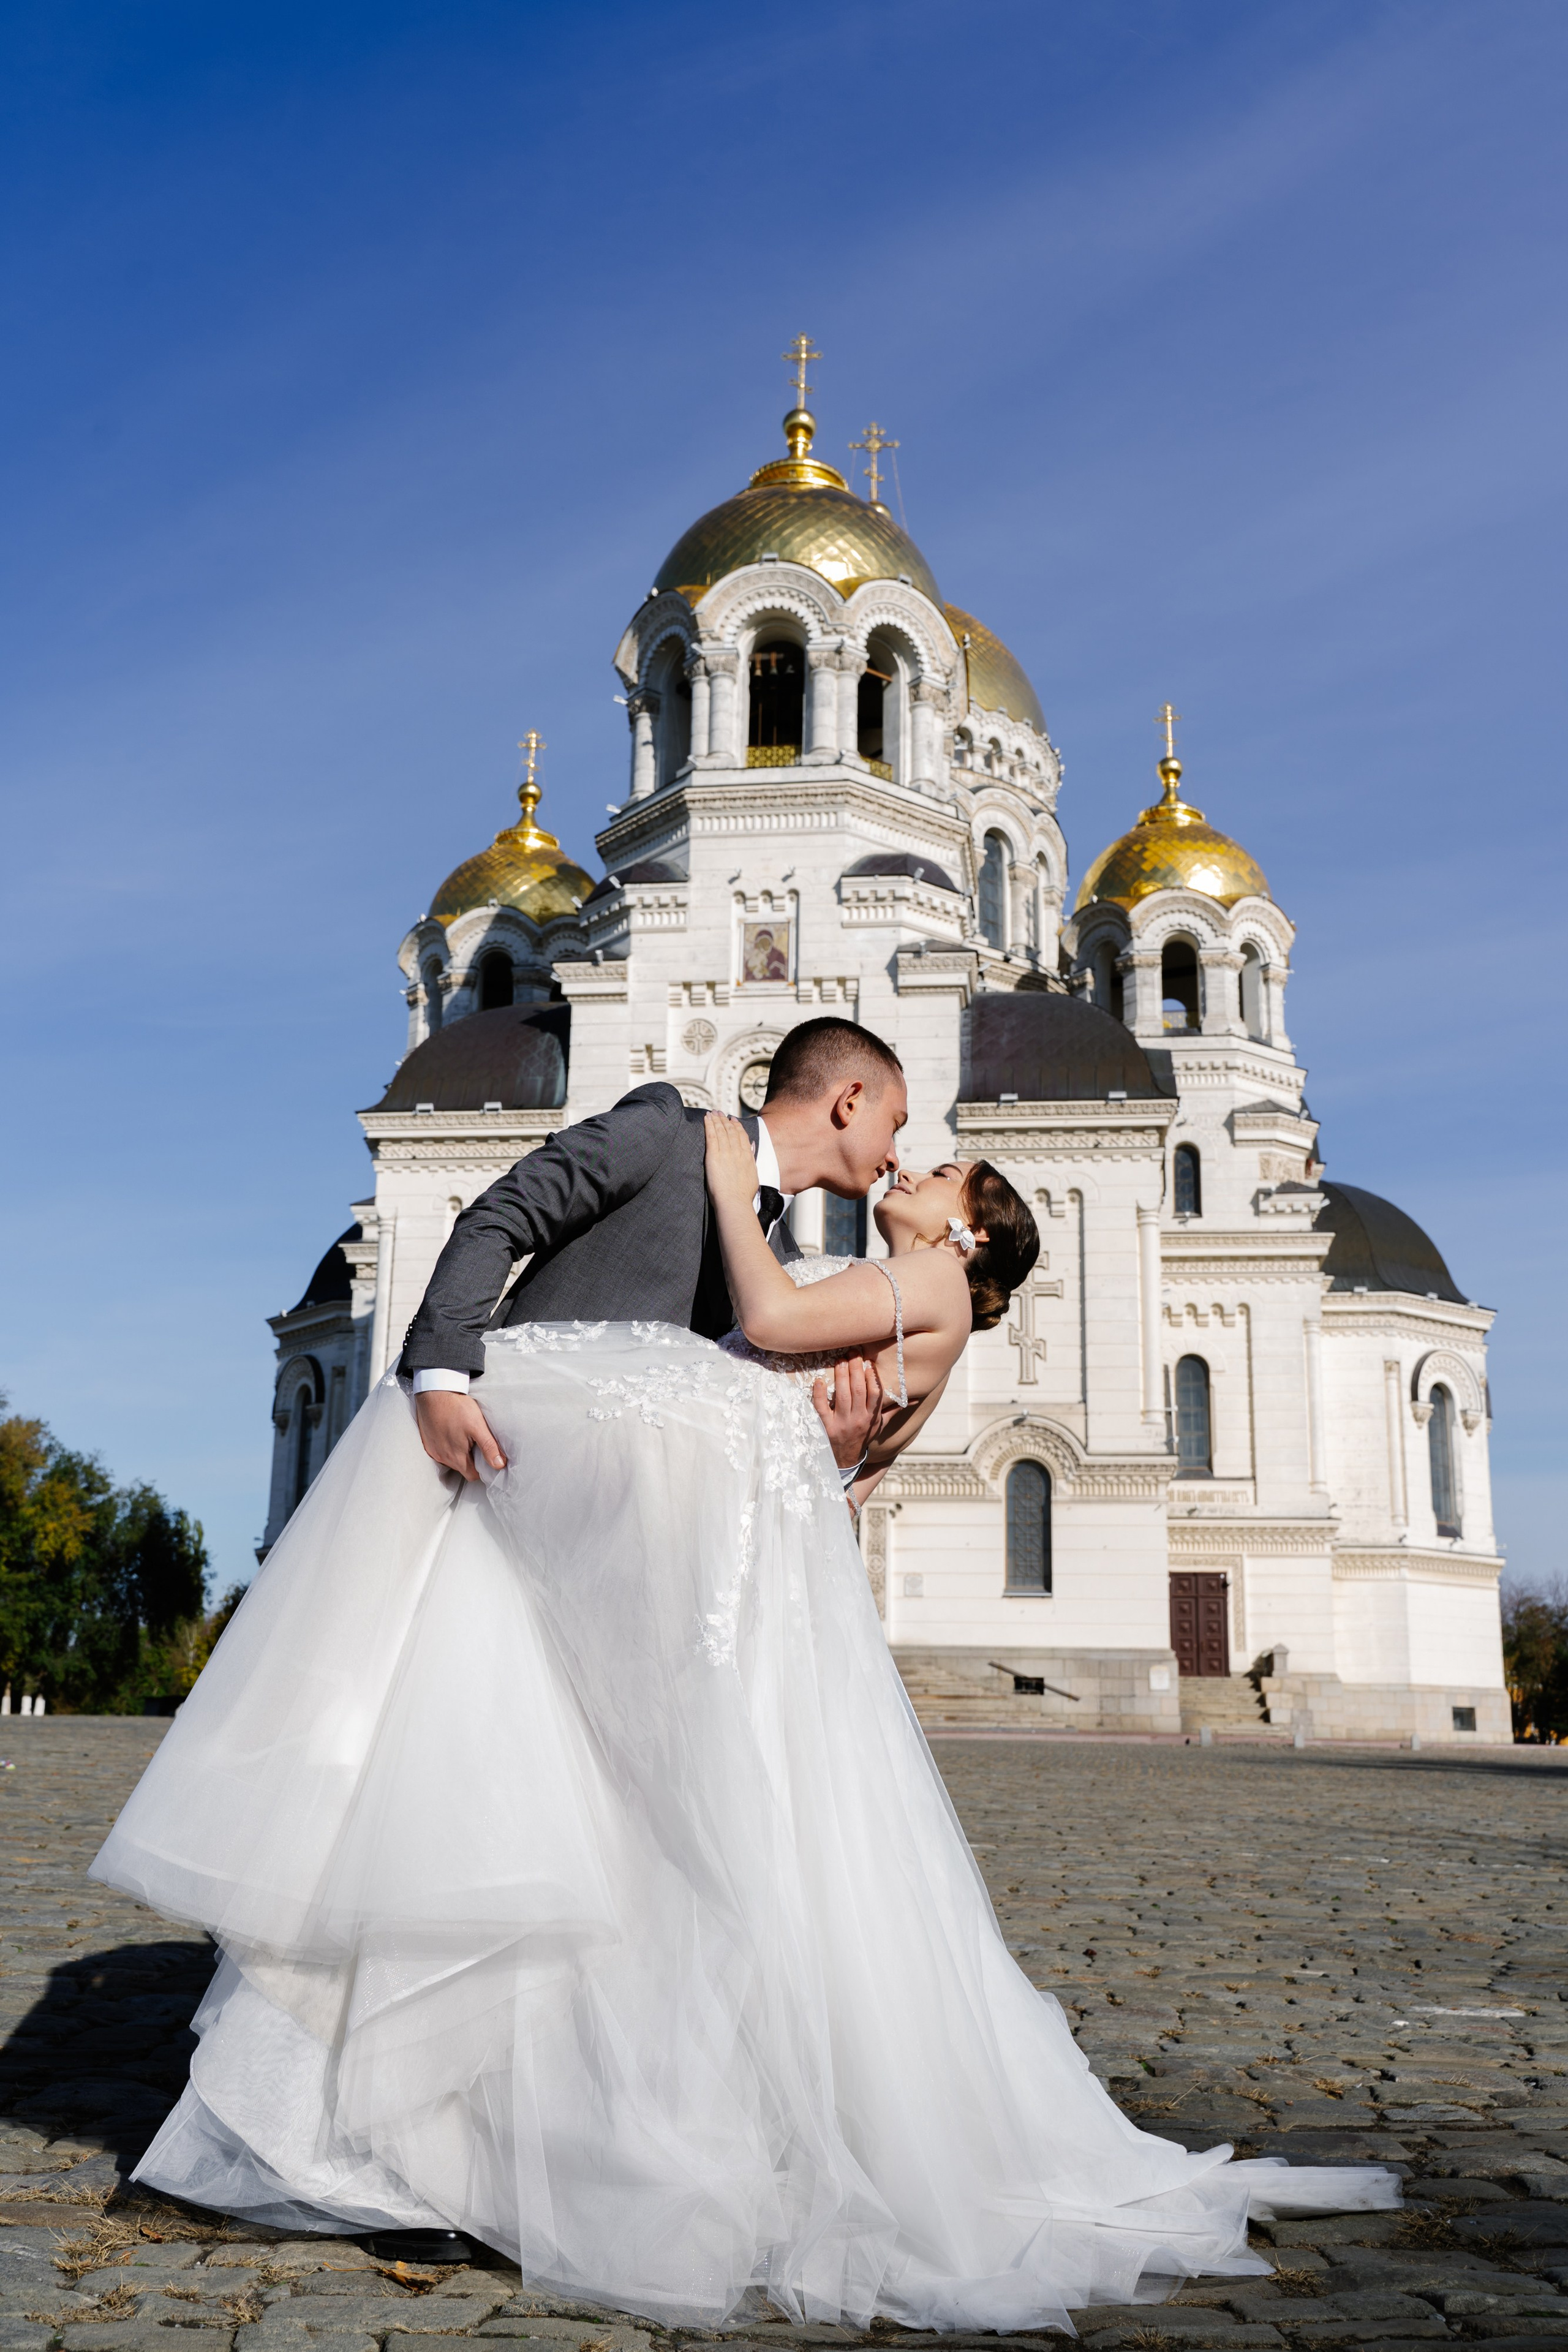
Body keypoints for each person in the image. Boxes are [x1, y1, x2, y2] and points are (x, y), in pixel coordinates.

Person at [91, 1075, 1400, 2331]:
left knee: (660, 1837)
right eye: (904, 1128)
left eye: (930, 1160)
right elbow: (820, 1451)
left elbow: (762, 1335)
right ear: (843, 1102)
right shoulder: (817, 1227)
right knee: (663, 1841)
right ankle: (515, 2129)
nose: (907, 1155)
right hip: (689, 1549)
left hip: (686, 1556)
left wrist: (727, 1198)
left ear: (963, 1225)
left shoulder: (903, 1266)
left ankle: (557, 2137)